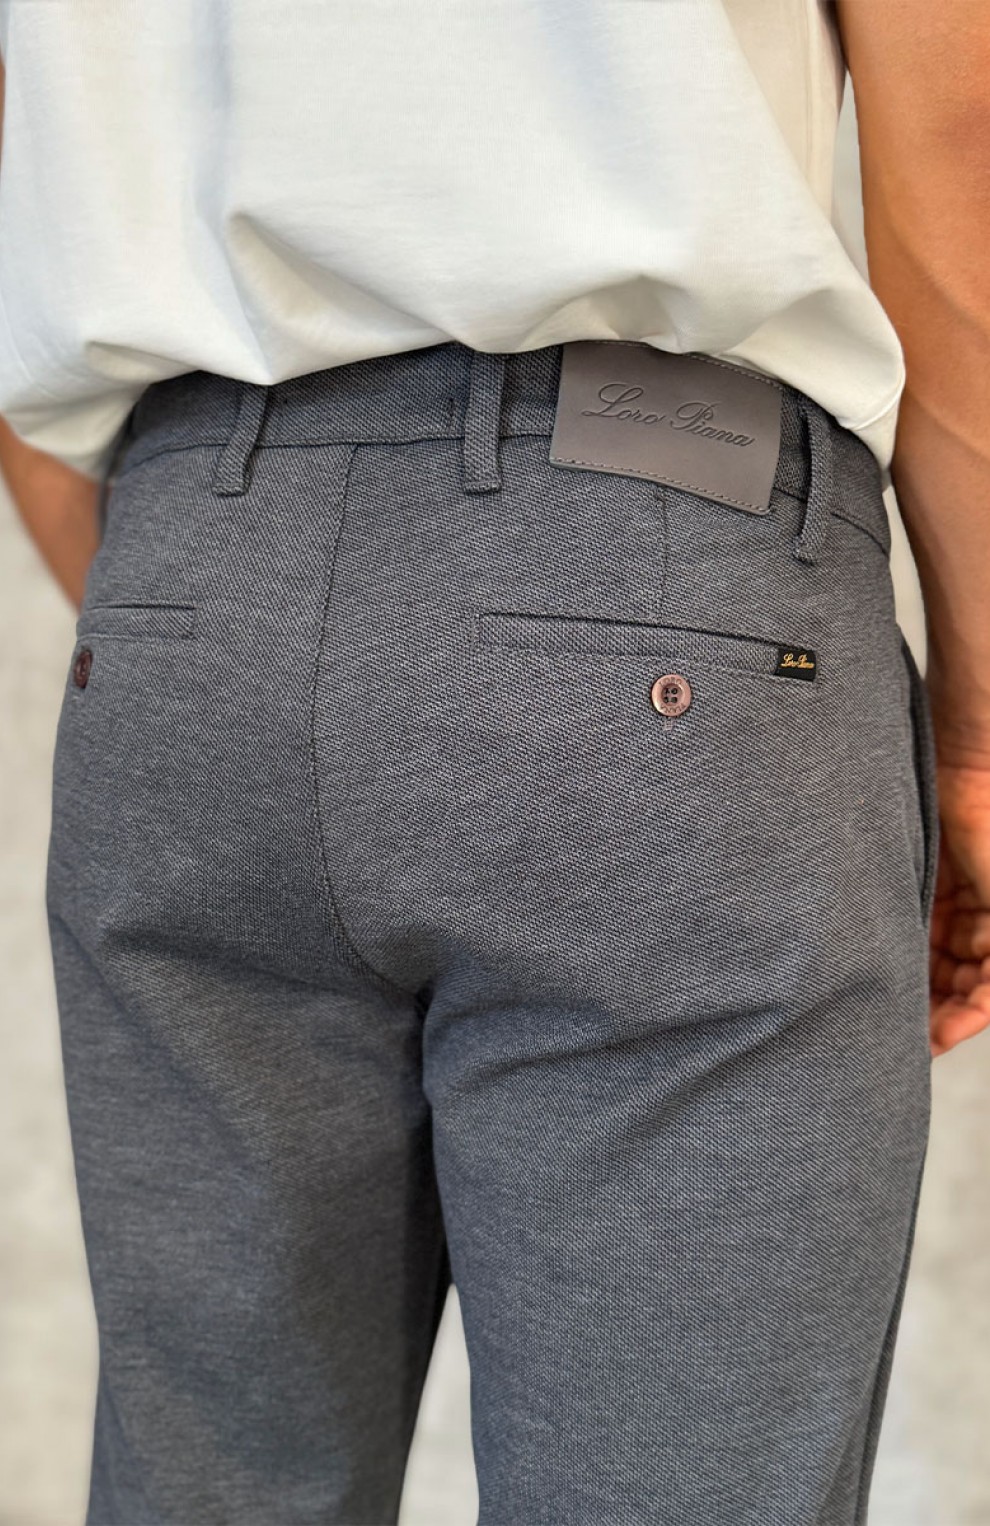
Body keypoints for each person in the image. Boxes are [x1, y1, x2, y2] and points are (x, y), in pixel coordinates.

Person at [0, 3, 987, 1522]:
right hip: (662, 569)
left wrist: (197, 624)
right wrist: (974, 736)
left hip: (185, 584)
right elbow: (954, 133)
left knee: (212, 1485)